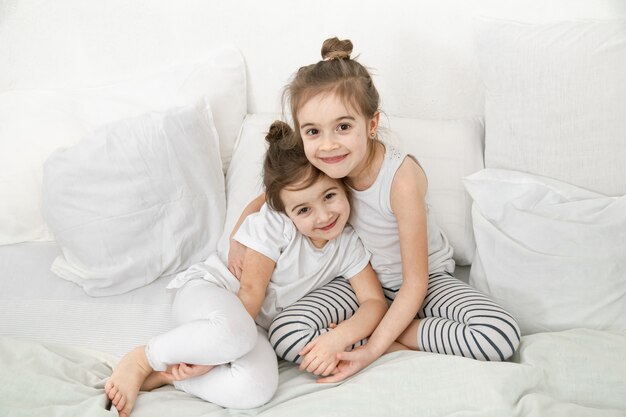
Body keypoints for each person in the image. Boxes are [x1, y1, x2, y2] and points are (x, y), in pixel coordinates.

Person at [229, 37, 521, 383]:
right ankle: (378, 333)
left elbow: (415, 282)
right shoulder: (324, 163)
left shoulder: (400, 180)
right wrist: (238, 238)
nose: (328, 143)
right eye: (313, 131)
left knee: (498, 335)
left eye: (343, 126)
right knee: (283, 333)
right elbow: (272, 195)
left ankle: (391, 339)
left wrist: (369, 348)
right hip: (358, 287)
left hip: (423, 284)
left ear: (370, 125)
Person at [105, 120, 388, 417]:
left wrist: (339, 338)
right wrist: (216, 357)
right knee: (236, 332)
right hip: (212, 294)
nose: (324, 215)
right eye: (304, 209)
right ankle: (144, 358)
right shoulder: (276, 225)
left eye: (329, 195)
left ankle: (170, 378)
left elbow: (373, 301)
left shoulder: (348, 243)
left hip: (252, 328)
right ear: (284, 210)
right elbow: (250, 294)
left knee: (257, 388)